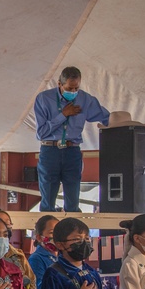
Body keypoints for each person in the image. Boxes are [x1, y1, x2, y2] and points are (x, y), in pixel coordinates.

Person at [33, 66, 109, 212]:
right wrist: (63, 115)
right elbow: (41, 133)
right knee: (48, 197)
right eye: (69, 88)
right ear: (59, 84)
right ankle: (47, 230)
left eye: (76, 88)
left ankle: (72, 227)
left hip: (72, 150)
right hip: (50, 149)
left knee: (73, 197)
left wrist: (133, 124)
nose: (73, 92)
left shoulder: (85, 99)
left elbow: (107, 118)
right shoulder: (44, 99)